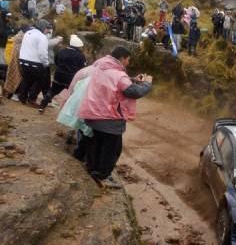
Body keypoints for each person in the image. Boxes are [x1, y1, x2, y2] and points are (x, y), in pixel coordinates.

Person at [77, 46, 153, 188]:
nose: (128, 63)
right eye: (128, 60)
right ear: (122, 58)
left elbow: (113, 80)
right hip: (109, 118)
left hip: (94, 113)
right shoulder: (119, 75)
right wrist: (147, 84)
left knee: (97, 144)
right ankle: (103, 176)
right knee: (112, 150)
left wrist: (131, 79)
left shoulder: (100, 66)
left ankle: (92, 169)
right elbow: (134, 92)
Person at [39, 35, 87, 111]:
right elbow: (82, 68)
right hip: (71, 78)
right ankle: (70, 111)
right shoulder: (80, 55)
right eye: (81, 46)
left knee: (52, 91)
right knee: (73, 95)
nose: (81, 48)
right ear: (78, 46)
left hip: (59, 75)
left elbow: (56, 61)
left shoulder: (61, 51)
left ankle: (42, 106)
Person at [18, 20, 52, 106]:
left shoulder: (28, 32)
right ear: (42, 28)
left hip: (22, 60)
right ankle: (31, 99)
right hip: (35, 62)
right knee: (41, 80)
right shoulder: (42, 37)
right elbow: (42, 53)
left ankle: (22, 97)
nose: (48, 31)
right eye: (47, 28)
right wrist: (46, 63)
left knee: (26, 79)